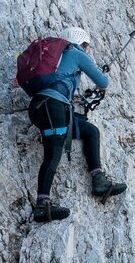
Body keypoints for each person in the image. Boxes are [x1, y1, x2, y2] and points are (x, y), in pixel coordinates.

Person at [16, 26, 126, 223]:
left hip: (44, 107)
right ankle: (42, 204)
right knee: (53, 153)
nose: (87, 49)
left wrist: (71, 96)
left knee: (90, 131)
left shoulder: (56, 59)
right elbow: (103, 80)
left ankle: (98, 179)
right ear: (81, 42)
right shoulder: (75, 52)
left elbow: (56, 83)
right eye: (87, 46)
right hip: (53, 108)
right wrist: (101, 84)